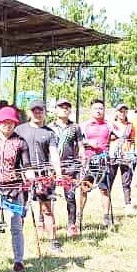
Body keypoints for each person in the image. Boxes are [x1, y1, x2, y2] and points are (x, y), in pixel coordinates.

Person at [0, 105, 36, 272]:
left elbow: (27, 164)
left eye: (11, 122)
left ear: (15, 124)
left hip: (14, 189)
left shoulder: (20, 142)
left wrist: (31, 176)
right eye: (4, 122)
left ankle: (18, 260)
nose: (7, 125)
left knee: (15, 226)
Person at [15, 99, 63, 253]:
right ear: (30, 112)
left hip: (43, 177)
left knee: (47, 210)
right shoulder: (19, 130)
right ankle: (18, 242)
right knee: (20, 210)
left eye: (41, 110)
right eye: (35, 110)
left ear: (45, 113)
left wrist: (59, 173)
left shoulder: (50, 133)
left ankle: (53, 241)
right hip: (23, 176)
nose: (38, 113)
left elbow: (54, 154)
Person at [50, 97, 85, 236]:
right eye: (61, 107)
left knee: (70, 196)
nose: (64, 109)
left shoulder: (75, 127)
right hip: (51, 166)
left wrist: (82, 157)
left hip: (70, 165)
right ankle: (44, 222)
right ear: (56, 110)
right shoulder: (49, 127)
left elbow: (80, 145)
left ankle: (71, 224)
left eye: (67, 107)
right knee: (47, 195)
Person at [79, 98, 114, 227]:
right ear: (91, 110)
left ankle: (106, 217)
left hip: (103, 161)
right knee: (84, 188)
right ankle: (79, 216)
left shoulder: (109, 125)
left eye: (101, 108)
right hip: (88, 161)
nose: (98, 111)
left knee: (105, 190)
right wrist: (88, 143)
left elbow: (121, 135)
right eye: (96, 108)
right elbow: (78, 141)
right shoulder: (84, 125)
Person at [109, 104, 136, 215]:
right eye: (120, 111)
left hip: (126, 155)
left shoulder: (130, 126)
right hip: (113, 155)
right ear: (116, 112)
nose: (122, 113)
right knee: (109, 180)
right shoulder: (111, 125)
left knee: (126, 181)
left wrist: (132, 154)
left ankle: (128, 204)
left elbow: (133, 140)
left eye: (125, 111)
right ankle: (107, 204)